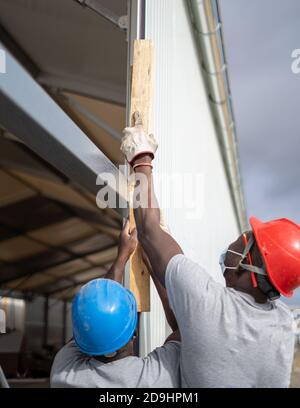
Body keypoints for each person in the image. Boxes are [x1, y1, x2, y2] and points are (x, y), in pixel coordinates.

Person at [120, 113, 300, 388]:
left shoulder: (207, 301)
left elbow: (146, 228)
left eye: (248, 236)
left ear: (249, 263)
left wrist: (141, 157)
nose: (240, 236)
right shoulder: (284, 326)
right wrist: (158, 266)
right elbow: (189, 323)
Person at [50, 221, 181, 388]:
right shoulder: (155, 376)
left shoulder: (64, 373)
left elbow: (96, 309)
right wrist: (152, 262)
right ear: (135, 332)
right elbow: (183, 327)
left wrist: (122, 255)